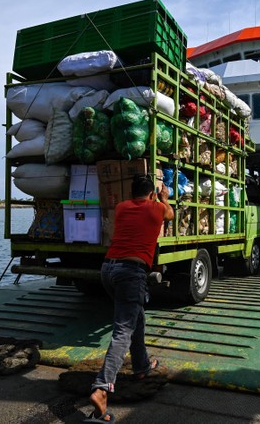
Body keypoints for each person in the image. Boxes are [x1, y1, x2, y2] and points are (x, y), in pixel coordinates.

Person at [87, 174, 174, 423]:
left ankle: (141, 366)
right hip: (131, 272)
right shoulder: (157, 206)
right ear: (151, 194)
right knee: (122, 330)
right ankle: (102, 388)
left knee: (136, 317)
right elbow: (170, 215)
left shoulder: (123, 207)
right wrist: (164, 198)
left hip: (108, 270)